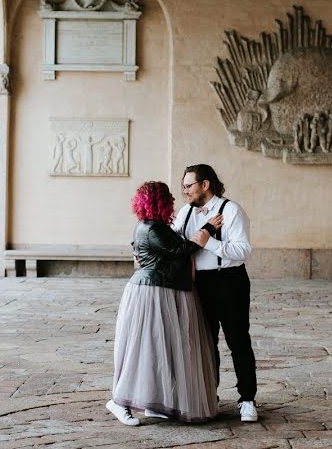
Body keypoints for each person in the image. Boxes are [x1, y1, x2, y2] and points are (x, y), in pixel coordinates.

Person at [107, 181, 220, 425]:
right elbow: (182, 249)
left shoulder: (153, 226)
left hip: (162, 290)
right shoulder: (152, 228)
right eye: (168, 197)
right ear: (159, 201)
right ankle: (119, 401)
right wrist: (208, 229)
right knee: (144, 349)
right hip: (153, 292)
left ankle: (154, 402)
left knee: (160, 349)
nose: (172, 199)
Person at [174, 164, 258, 423]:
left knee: (238, 342)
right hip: (199, 285)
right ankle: (210, 396)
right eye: (184, 186)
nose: (185, 191)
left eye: (189, 186)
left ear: (205, 185)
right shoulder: (186, 212)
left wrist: (208, 242)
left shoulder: (231, 210)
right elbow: (175, 242)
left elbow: (243, 250)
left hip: (229, 282)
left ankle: (247, 399)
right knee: (206, 344)